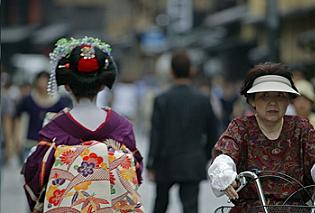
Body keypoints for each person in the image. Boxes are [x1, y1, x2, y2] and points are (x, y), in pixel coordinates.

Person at [22, 37, 144, 212]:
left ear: (68, 86)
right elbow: (135, 174)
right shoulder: (121, 126)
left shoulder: (54, 128)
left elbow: (36, 177)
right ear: (102, 85)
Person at [208, 63, 315, 213]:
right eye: (264, 96)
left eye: (280, 96)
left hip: (295, 208)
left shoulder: (300, 128)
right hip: (251, 209)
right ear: (252, 101)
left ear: (288, 101)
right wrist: (225, 175)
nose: (272, 103)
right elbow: (225, 155)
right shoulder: (240, 127)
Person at [146, 49, 218, 213]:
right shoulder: (203, 100)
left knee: (160, 205)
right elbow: (213, 133)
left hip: (166, 160)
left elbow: (155, 134)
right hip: (192, 160)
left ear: (171, 72)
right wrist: (205, 155)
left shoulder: (161, 100)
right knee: (190, 207)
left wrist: (151, 163)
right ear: (191, 71)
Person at [14, 71, 72, 162]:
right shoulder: (28, 100)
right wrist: (17, 138)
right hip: (29, 142)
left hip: (51, 144)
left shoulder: (60, 102)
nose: (43, 85)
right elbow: (19, 118)